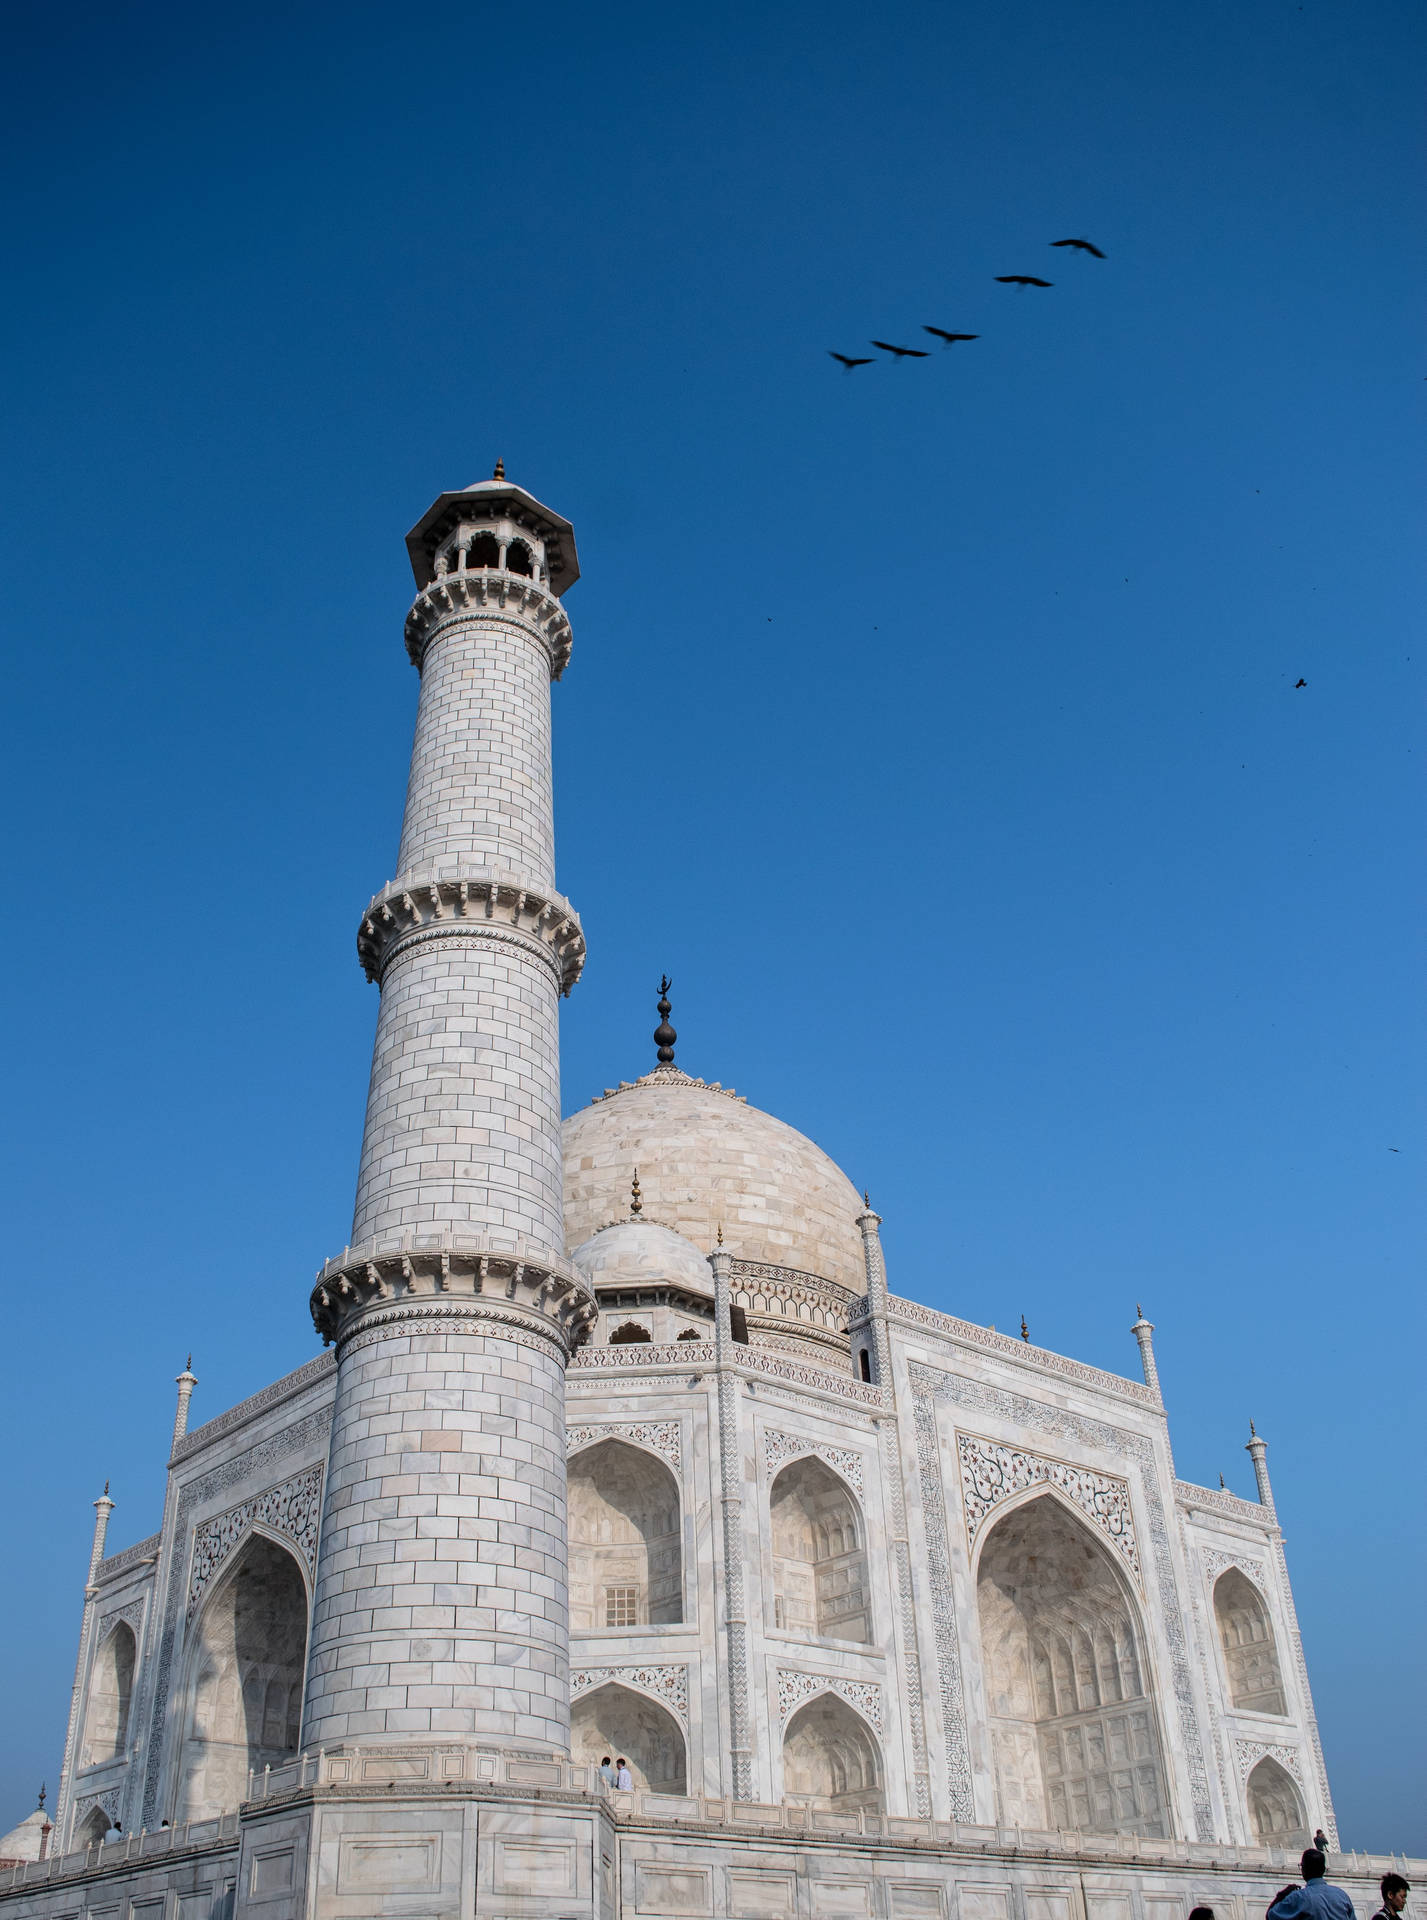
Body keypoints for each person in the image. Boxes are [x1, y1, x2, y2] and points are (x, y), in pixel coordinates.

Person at [1266, 1851, 1355, 1920]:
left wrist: (1282, 1894)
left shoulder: (1298, 1897)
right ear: (1324, 1869)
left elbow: (1270, 1916)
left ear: (1304, 1869)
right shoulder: (1341, 1895)